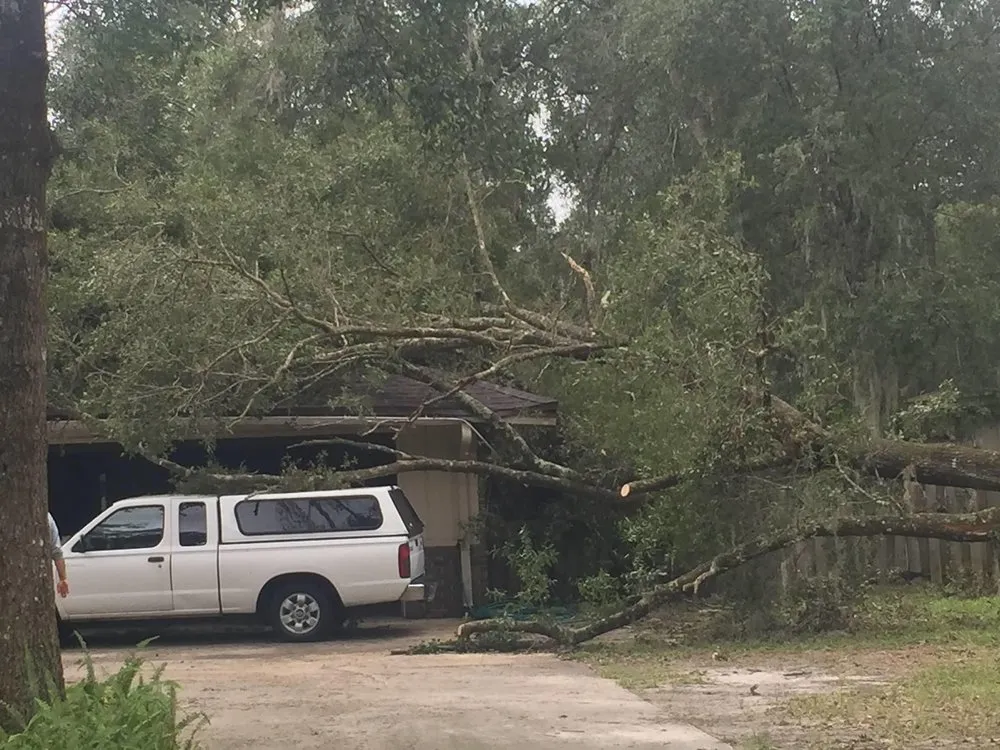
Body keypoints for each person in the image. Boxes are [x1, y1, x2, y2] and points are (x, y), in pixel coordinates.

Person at [48, 512, 69, 598]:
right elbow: (57, 552)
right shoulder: (45, 516)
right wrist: (63, 579)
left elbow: (57, 552)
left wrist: (63, 579)